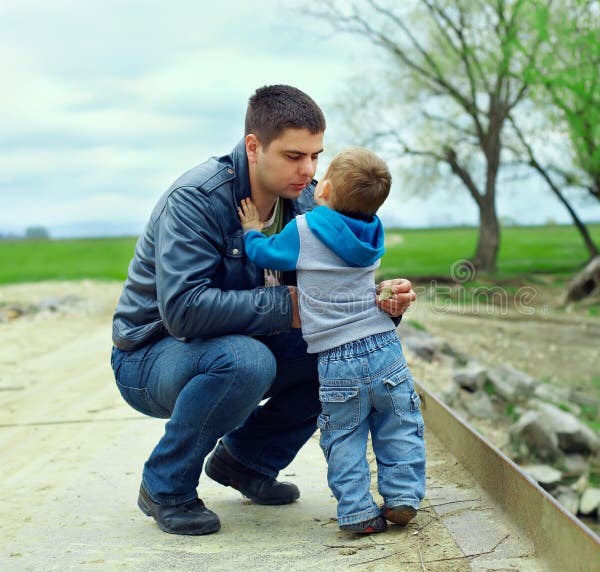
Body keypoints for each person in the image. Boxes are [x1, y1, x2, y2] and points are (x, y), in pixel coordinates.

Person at [110, 85, 416, 536]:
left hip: (241, 342)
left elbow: (335, 293)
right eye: (294, 156)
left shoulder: (311, 202)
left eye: (315, 155)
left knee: (341, 357)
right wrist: (285, 308)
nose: (308, 169)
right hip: (152, 355)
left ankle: (246, 462)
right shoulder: (197, 199)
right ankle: (166, 487)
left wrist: (383, 303)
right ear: (254, 147)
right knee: (245, 362)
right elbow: (183, 310)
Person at [237, 147, 425, 534]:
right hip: (383, 345)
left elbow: (265, 254)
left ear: (323, 191)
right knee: (400, 424)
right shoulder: (374, 231)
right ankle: (403, 495)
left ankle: (357, 511)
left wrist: (252, 229)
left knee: (345, 437)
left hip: (337, 357)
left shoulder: (304, 230)